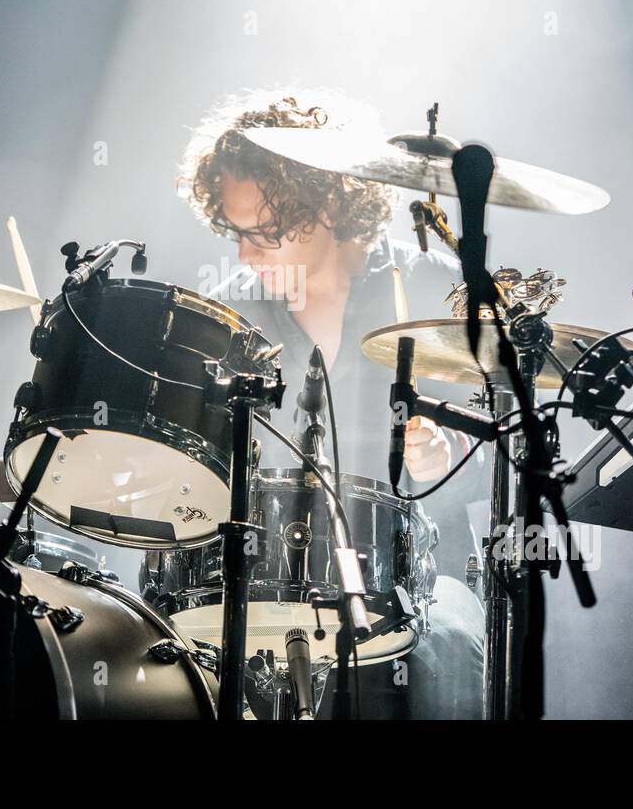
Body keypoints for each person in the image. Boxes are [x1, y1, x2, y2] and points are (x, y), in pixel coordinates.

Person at [177, 89, 485, 718]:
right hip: (268, 577)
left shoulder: (432, 287)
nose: (243, 255)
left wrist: (447, 452)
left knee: (450, 648)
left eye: (262, 234)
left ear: (328, 206)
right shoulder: (232, 315)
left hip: (420, 577)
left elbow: (496, 449)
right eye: (234, 234)